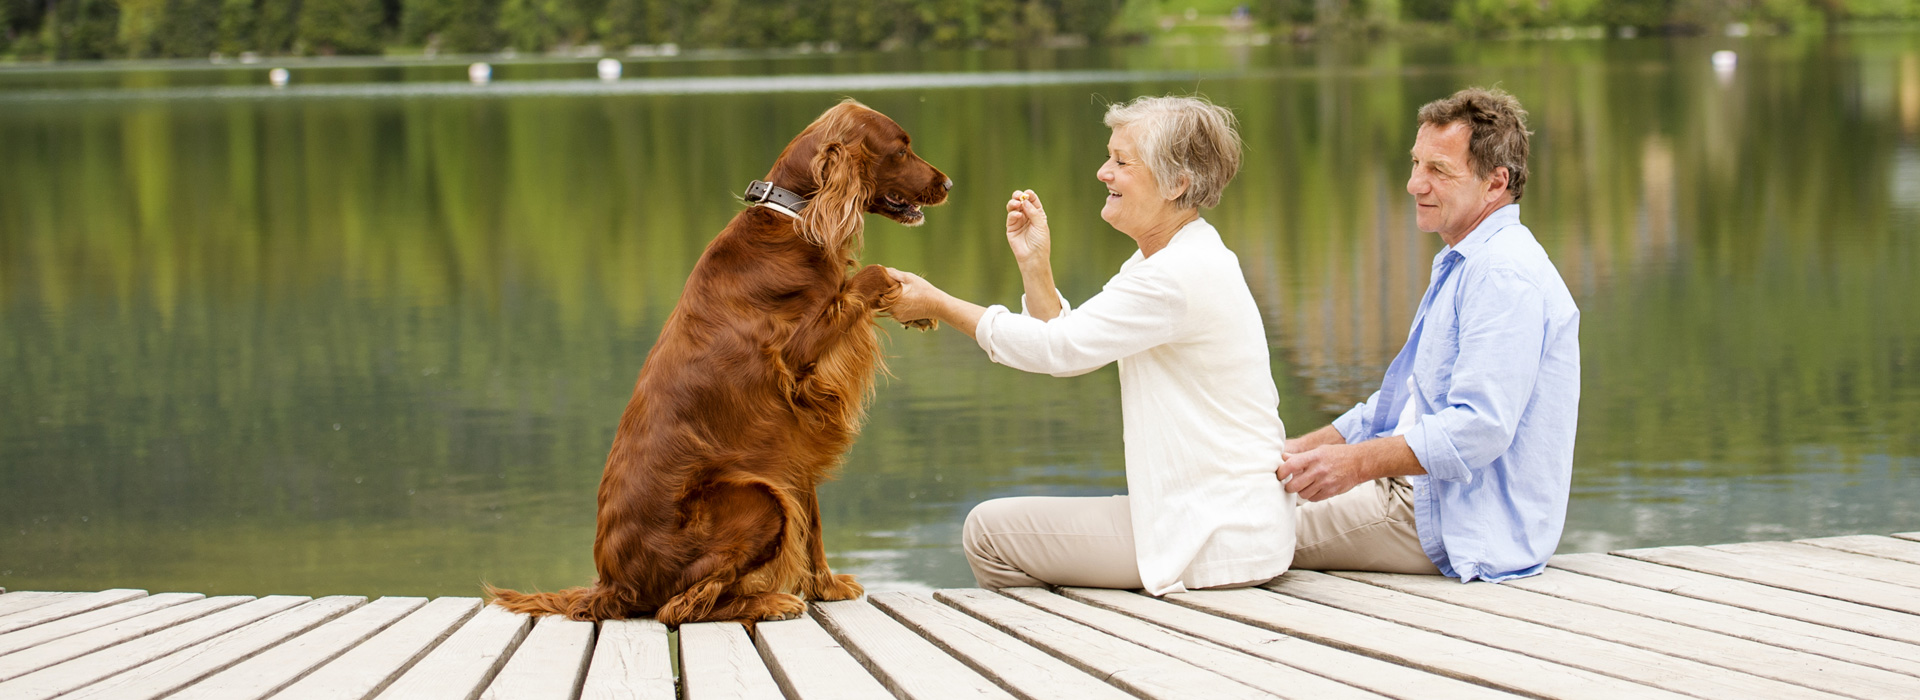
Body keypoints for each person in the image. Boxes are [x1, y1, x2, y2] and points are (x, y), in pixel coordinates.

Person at [884, 95, 1294, 595]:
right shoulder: (1172, 261)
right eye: (1109, 156)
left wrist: (939, 305)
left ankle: (1063, 653)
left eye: (1122, 162)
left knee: (988, 531)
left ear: (1177, 183)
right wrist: (1036, 266)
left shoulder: (1173, 277)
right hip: (1217, 517)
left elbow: (1057, 350)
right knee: (1006, 532)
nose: (1103, 172)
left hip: (1209, 533)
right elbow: (1068, 350)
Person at [1277, 87, 1580, 582]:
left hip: (1451, 524)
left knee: (1231, 528)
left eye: (1438, 170)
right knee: (1245, 497)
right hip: (1413, 497)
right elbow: (1405, 404)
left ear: (1494, 183)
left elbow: (1479, 427)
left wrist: (1352, 466)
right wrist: (1301, 450)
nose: (1415, 183)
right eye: (1416, 163)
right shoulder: (1470, 260)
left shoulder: (1502, 273)